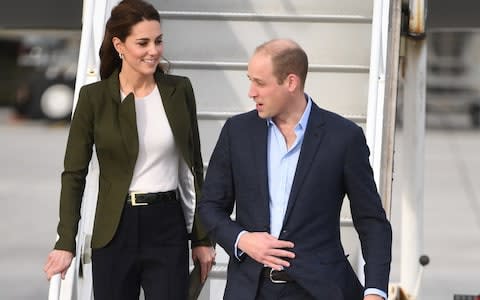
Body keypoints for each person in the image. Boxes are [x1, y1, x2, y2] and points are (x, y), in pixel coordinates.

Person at [43, 0, 215, 299]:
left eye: (158, 41)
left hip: (167, 225)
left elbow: (193, 169)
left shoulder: (179, 91)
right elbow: (74, 174)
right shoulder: (93, 98)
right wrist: (65, 241)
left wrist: (201, 238)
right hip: (114, 228)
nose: (154, 50)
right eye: (143, 42)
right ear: (119, 45)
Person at [198, 39, 392, 300]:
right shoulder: (237, 132)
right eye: (250, 80)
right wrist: (243, 239)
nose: (251, 92)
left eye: (260, 83)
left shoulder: (344, 138)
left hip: (319, 291)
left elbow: (372, 222)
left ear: (291, 82)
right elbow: (209, 207)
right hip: (250, 290)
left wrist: (375, 291)